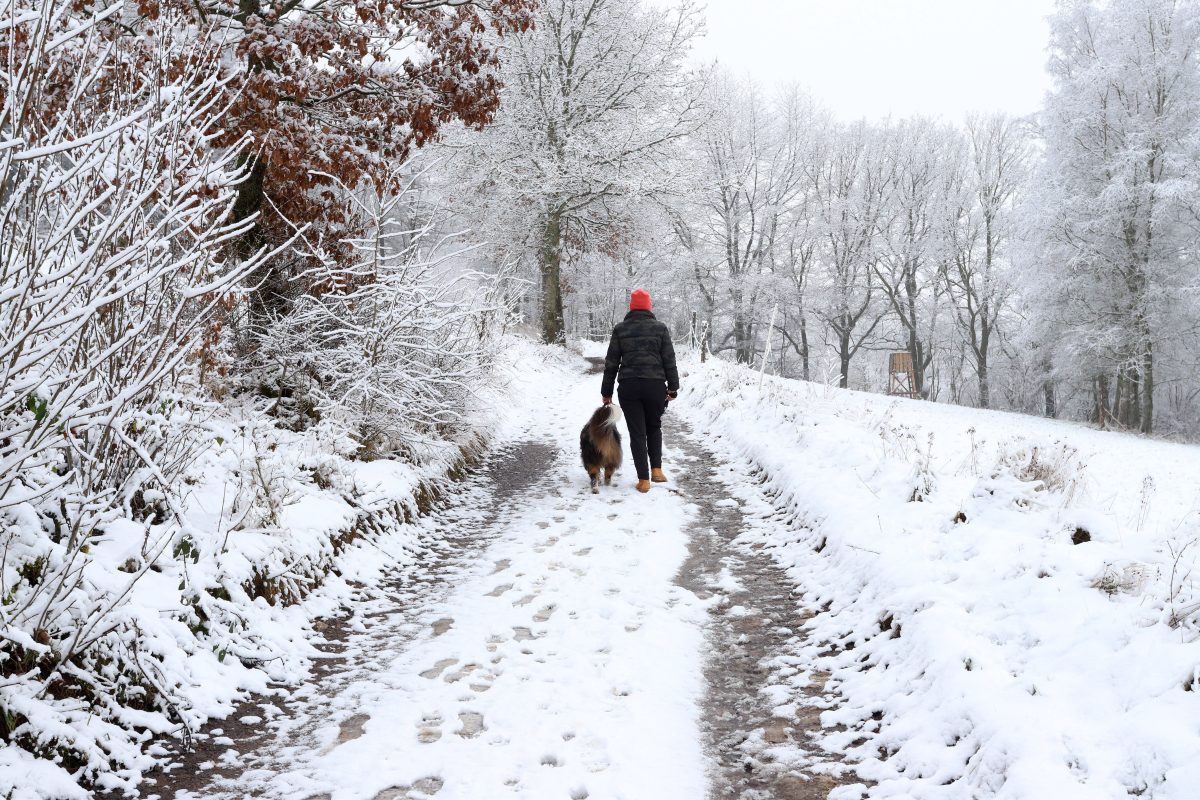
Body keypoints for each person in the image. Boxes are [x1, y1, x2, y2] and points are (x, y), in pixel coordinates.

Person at [600, 289, 680, 493]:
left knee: (637, 433)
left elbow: (611, 363)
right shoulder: (660, 329)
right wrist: (673, 387)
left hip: (629, 386)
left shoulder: (620, 329)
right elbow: (669, 360)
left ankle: (643, 480)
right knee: (654, 427)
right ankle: (657, 471)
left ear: (631, 307)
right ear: (649, 306)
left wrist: (606, 392)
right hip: (655, 385)